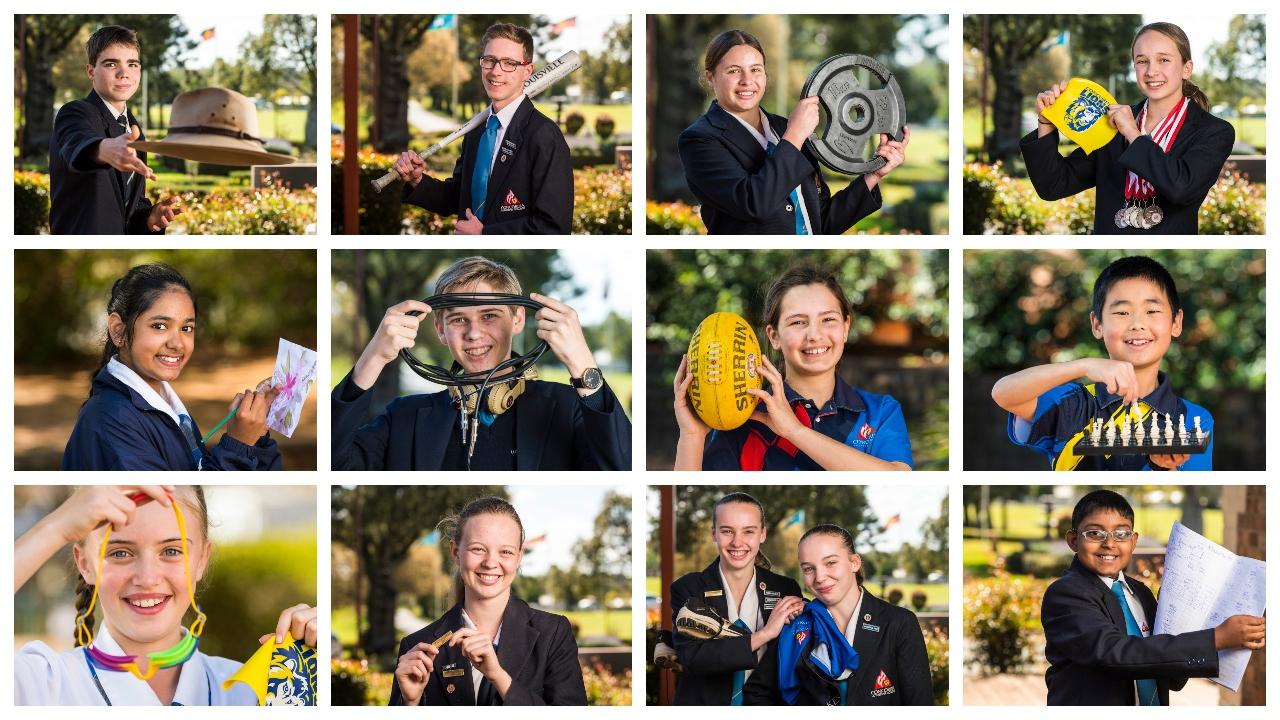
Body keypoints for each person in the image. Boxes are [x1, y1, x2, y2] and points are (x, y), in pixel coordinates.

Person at [13, 486, 318, 705]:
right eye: (120, 552)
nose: (147, 578)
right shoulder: (42, 685)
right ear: (84, 564)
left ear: (202, 559)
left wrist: (325, 669)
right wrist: (55, 527)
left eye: (171, 551)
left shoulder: (254, 691)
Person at [331, 255, 631, 470]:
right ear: (440, 331)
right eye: (458, 320)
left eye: (489, 316)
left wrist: (584, 368)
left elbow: (624, 467)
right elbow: (332, 464)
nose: (474, 334)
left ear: (517, 319)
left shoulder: (570, 407)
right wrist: (373, 358)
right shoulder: (404, 416)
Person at [674, 262, 913, 470]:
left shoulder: (880, 412)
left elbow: (897, 476)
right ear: (774, 336)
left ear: (846, 327)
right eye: (798, 322)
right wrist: (692, 436)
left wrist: (794, 431)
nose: (814, 335)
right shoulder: (743, 414)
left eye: (828, 319)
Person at [1041, 490, 1265, 705]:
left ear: (1134, 541)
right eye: (1094, 533)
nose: (1109, 543)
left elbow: (1170, 674)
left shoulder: (1140, 593)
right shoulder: (1065, 594)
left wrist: (1227, 631)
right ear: (1072, 540)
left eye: (1121, 533)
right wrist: (1215, 638)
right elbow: (1115, 654)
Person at [678, 29, 909, 235]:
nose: (747, 81)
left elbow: (821, 223)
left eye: (755, 70)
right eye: (734, 71)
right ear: (710, 77)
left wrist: (873, 176)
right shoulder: (699, 140)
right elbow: (753, 203)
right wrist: (795, 136)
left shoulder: (784, 127)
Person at [992, 255, 1211, 470]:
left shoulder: (1195, 418)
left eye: (1152, 311)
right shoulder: (1073, 403)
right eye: (1122, 312)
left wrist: (1164, 468)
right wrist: (1084, 365)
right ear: (1097, 324)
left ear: (1176, 322)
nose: (1138, 324)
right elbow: (1003, 393)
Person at [62, 263, 282, 470]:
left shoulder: (168, 410)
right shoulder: (111, 418)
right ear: (118, 330)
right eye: (160, 326)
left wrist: (255, 438)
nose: (177, 344)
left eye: (187, 328)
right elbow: (180, 505)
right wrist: (238, 445)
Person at [1021, 22, 1234, 234]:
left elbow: (1182, 188)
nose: (1152, 71)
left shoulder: (1214, 131)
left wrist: (1132, 133)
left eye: (1164, 60)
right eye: (1142, 61)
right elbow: (1054, 185)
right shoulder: (1110, 122)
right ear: (1135, 67)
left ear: (1186, 68)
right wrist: (1046, 123)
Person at [390, 498, 585, 705]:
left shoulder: (554, 634)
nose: (491, 563)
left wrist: (499, 677)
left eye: (506, 552)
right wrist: (410, 703)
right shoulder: (417, 647)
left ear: (519, 557)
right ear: (456, 552)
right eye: (478, 549)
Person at [391, 23, 572, 234]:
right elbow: (459, 197)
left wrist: (485, 235)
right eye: (490, 60)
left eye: (509, 63)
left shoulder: (544, 136)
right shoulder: (477, 131)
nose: (496, 71)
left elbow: (553, 228)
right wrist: (418, 181)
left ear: (527, 71)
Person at [745, 524, 933, 705]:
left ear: (854, 563)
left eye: (831, 563)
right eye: (809, 568)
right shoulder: (794, 623)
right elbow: (757, 694)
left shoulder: (899, 623)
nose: (819, 577)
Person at [669, 493, 805, 705]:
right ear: (714, 533)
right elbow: (694, 658)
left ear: (762, 534)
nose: (737, 542)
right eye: (727, 531)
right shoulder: (687, 589)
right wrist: (765, 634)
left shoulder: (785, 589)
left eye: (748, 531)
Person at [48, 25, 181, 235]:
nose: (124, 73)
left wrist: (149, 219)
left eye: (132, 64)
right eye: (111, 64)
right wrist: (103, 149)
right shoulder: (75, 112)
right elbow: (77, 144)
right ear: (91, 71)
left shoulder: (133, 128)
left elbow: (130, 207)